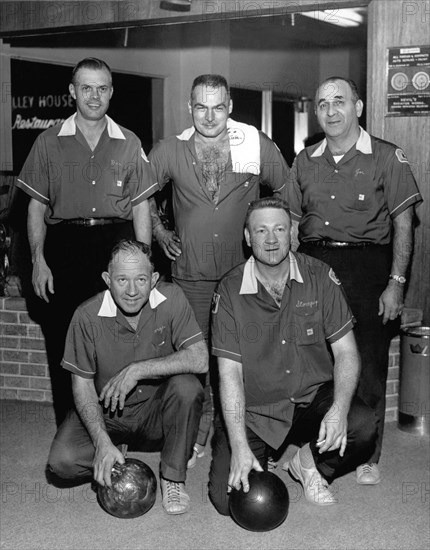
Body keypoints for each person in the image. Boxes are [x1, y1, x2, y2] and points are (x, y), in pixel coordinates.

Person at [286, 76, 423, 485]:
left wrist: (396, 282)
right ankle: (316, 439)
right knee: (313, 359)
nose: (330, 111)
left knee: (368, 362)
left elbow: (404, 224)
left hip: (367, 267)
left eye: (339, 102)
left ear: (358, 108)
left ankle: (367, 452)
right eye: (322, 103)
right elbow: (291, 225)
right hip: (313, 264)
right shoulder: (304, 159)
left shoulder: (386, 156)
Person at [148, 74, 290, 466]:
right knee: (197, 361)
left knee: (248, 358)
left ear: (230, 107)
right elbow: (138, 196)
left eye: (218, 107)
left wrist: (276, 244)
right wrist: (159, 232)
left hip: (242, 275)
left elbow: (288, 192)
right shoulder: (169, 149)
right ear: (189, 107)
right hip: (190, 275)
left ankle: (255, 438)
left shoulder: (253, 143)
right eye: (200, 107)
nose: (209, 116)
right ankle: (197, 434)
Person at [208, 197, 377, 514]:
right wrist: (240, 446)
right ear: (247, 238)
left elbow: (347, 353)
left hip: (311, 397)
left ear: (292, 234)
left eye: (279, 229)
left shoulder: (320, 277)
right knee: (226, 500)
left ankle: (307, 463)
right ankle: (257, 452)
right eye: (261, 231)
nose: (271, 240)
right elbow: (228, 374)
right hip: (256, 409)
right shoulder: (229, 290)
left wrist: (339, 409)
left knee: (362, 425)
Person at [15, 58, 157, 424]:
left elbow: (142, 206)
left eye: (102, 88)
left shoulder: (129, 141)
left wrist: (144, 261)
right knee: (64, 337)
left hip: (115, 244)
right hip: (65, 245)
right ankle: (70, 426)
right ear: (72, 91)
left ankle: (115, 426)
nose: (95, 96)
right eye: (86, 87)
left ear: (111, 92)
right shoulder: (47, 142)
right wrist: (38, 260)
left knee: (116, 336)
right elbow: (35, 207)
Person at [47, 239, 208, 515]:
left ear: (154, 279)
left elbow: (200, 359)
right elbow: (82, 386)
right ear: (108, 279)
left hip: (155, 410)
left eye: (141, 279)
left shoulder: (173, 299)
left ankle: (172, 475)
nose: (132, 291)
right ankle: (114, 450)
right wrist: (101, 441)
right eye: (122, 279)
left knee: (187, 387)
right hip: (108, 413)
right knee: (62, 462)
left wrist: (137, 370)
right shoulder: (86, 315)